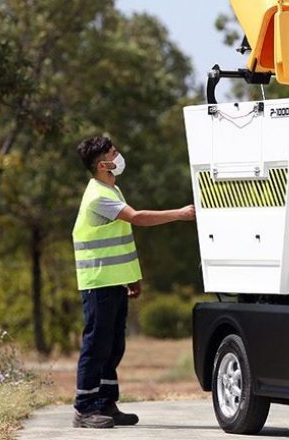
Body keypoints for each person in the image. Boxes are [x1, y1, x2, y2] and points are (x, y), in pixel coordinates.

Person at [71, 136, 195, 429]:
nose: (119, 155)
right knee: (96, 346)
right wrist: (179, 214)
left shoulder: (112, 189)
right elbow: (136, 218)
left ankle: (105, 403)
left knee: (113, 346)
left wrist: (133, 278)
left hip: (114, 281)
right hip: (98, 282)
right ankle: (84, 408)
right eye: (113, 153)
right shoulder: (98, 196)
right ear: (103, 165)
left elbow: (120, 239)